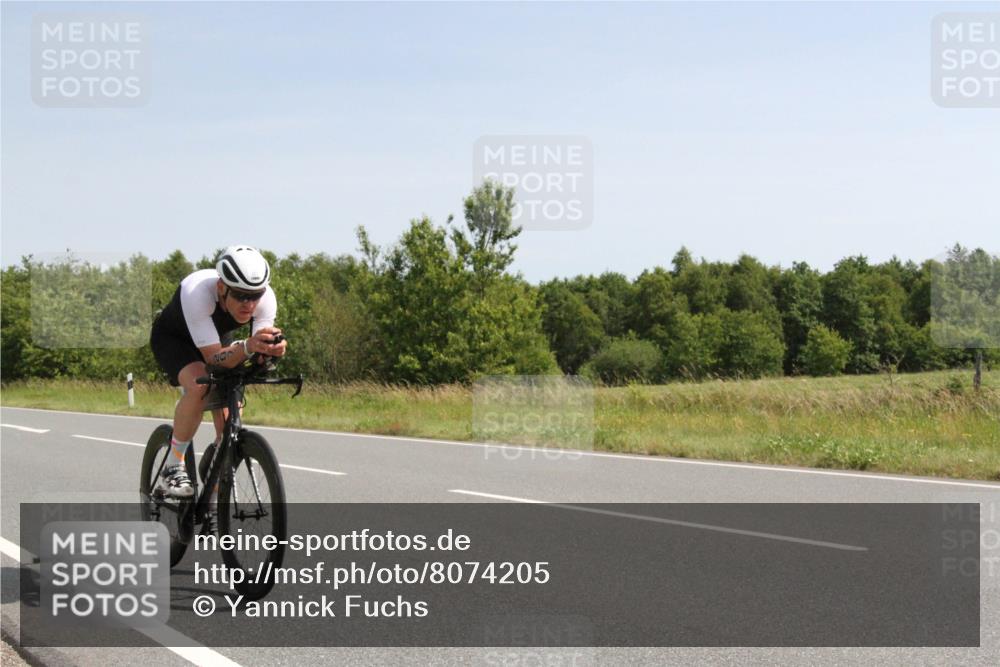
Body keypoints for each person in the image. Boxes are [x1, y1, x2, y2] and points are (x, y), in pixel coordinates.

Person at [149, 245, 287, 498]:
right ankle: (172, 466)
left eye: (255, 295)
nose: (250, 304)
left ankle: (216, 469)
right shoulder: (197, 292)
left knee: (230, 396)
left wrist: (270, 352)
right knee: (202, 386)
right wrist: (246, 347)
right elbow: (213, 360)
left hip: (216, 338)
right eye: (241, 296)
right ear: (222, 288)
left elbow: (256, 349)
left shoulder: (265, 299)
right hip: (175, 339)